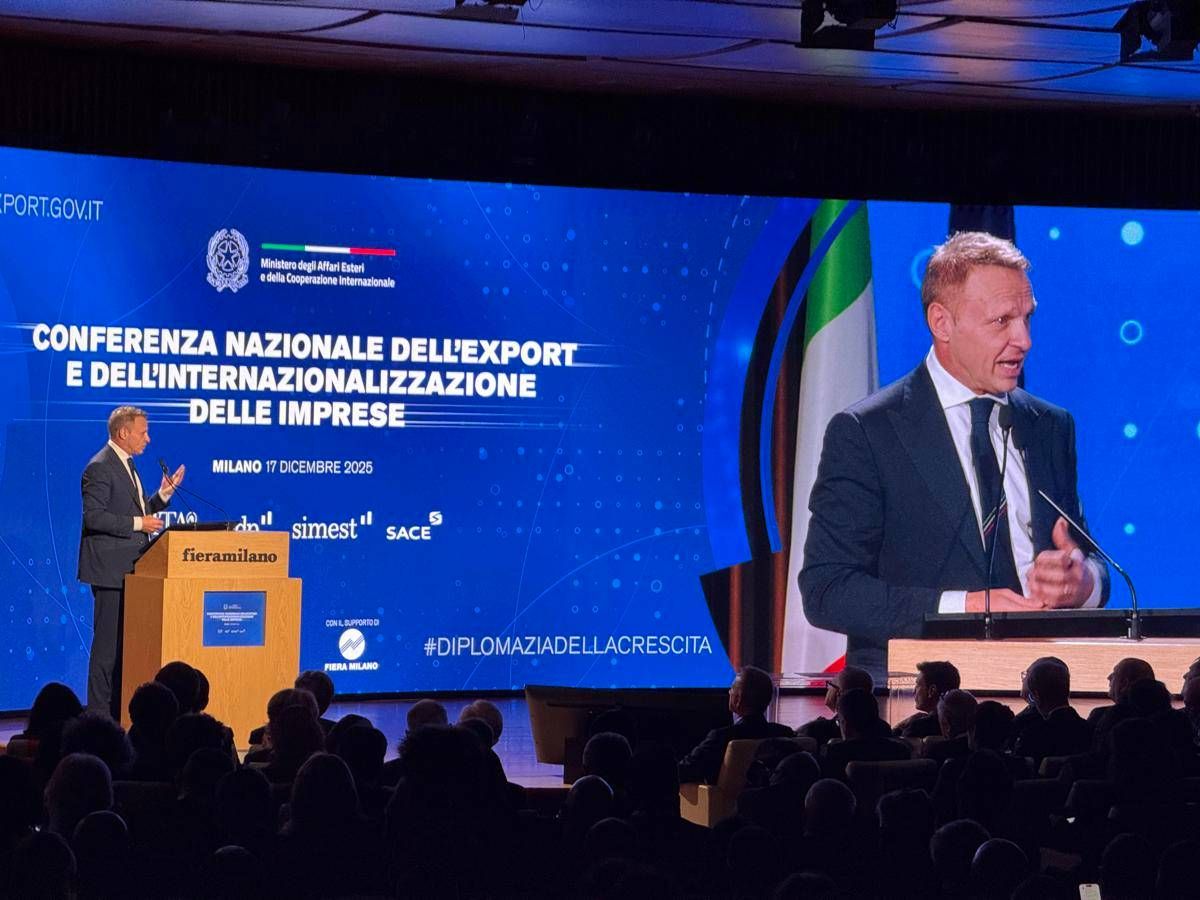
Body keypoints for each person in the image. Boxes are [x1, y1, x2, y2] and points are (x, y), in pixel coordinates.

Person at [799, 232, 1109, 677]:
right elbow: (828, 589)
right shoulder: (868, 432)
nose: (1024, 340)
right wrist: (966, 607)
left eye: (1027, 318)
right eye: (1002, 321)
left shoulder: (1050, 426)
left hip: (1043, 690)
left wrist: (1083, 583)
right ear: (942, 323)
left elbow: (1091, 561)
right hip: (921, 695)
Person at [78, 406, 185, 718]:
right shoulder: (100, 467)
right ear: (123, 433)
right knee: (106, 652)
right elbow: (94, 517)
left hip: (132, 571)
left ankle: (119, 715)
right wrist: (140, 523)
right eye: (143, 432)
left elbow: (134, 511)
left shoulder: (126, 464)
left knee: (124, 650)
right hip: (111, 573)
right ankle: (98, 718)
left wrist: (162, 496)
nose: (148, 439)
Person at [677, 666, 793, 785]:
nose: (729, 692)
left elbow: (684, 772)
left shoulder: (721, 737)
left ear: (738, 700)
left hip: (720, 797)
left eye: (731, 689)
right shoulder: (785, 734)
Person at [894, 661, 961, 739]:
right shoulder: (964, 726)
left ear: (931, 691)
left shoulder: (918, 728)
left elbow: (892, 744)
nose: (914, 692)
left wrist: (900, 726)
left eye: (918, 685)